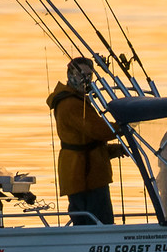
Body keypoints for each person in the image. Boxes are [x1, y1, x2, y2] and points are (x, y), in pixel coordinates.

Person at [46, 57, 123, 225]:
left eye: (89, 75)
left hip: (91, 172)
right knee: (94, 220)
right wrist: (124, 125)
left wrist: (109, 151)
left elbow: (86, 137)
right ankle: (92, 247)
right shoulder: (70, 104)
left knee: (93, 218)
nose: (85, 80)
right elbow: (99, 130)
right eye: (81, 75)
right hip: (82, 175)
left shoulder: (79, 99)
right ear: (69, 75)